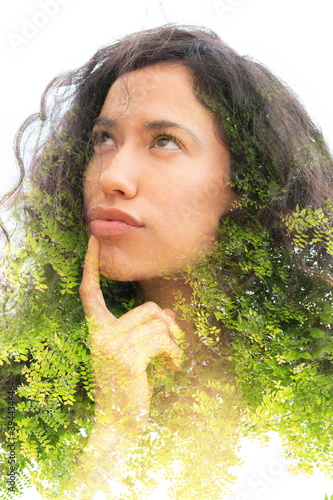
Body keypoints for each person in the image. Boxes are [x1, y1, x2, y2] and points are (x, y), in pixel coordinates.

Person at [1, 24, 333, 499]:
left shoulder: (317, 404)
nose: (112, 177)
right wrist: (113, 430)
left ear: (249, 182)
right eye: (103, 139)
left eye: (163, 141)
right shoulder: (20, 397)